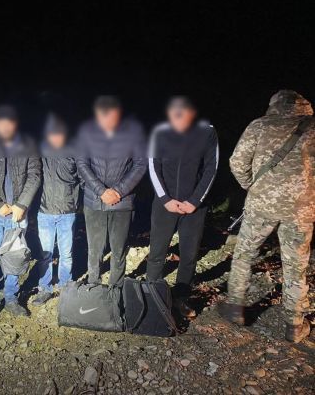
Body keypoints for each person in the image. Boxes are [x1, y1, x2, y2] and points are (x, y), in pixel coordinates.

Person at [218, 90, 314, 343]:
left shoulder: (260, 125)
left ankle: (235, 308)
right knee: (296, 265)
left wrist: (251, 186)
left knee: (244, 255)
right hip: (300, 211)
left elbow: (237, 161)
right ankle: (294, 325)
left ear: (274, 105)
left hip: (261, 205)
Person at [147, 96, 219, 317]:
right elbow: (153, 166)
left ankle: (181, 298)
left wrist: (194, 202)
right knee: (157, 252)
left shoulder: (207, 132)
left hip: (194, 208)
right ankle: (152, 297)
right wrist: (165, 199)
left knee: (189, 255)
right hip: (165, 204)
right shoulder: (160, 132)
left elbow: (211, 168)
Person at [0, 105, 41, 320]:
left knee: (14, 257)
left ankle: (12, 299)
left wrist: (22, 204)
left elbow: (35, 175)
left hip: (18, 214)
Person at [76, 96, 147, 287]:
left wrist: (119, 191)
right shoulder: (86, 132)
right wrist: (101, 191)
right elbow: (82, 163)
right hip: (94, 200)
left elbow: (140, 164)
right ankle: (93, 285)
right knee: (95, 249)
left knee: (119, 248)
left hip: (122, 201)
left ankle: (116, 287)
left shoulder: (133, 132)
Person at [33, 113, 80, 305]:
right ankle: (44, 288)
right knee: (45, 254)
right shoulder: (40, 153)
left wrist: (77, 204)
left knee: (66, 254)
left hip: (67, 213)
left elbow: (82, 179)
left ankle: (65, 287)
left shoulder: (74, 153)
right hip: (44, 212)